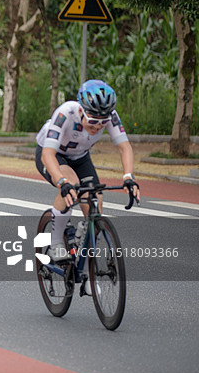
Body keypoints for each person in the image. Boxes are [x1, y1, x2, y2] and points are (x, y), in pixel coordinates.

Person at [36, 79, 140, 260]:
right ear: (80, 110)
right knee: (71, 184)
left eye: (102, 123)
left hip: (80, 156)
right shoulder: (65, 113)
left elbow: (125, 147)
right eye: (92, 121)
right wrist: (61, 181)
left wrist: (128, 177)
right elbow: (48, 154)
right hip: (53, 154)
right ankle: (55, 244)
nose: (97, 126)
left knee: (95, 202)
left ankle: (85, 268)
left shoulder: (110, 116)